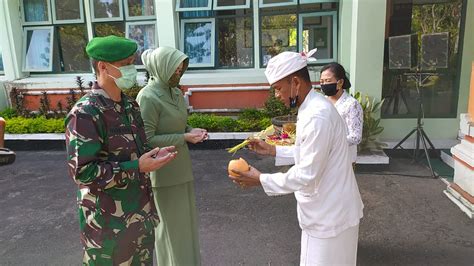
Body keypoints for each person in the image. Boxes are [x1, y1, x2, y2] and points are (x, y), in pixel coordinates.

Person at [229, 50, 364, 265]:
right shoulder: (313, 106)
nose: (276, 95)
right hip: (330, 211)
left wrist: (261, 179)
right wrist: (273, 150)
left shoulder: (316, 115)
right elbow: (313, 152)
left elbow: (306, 174)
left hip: (329, 216)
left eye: (279, 89)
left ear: (295, 82)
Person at [65, 35, 177, 265]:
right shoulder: (86, 113)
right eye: (126, 64)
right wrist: (136, 166)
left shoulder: (130, 105)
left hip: (140, 218)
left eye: (132, 63)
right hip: (107, 229)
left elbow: (138, 149)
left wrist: (153, 155)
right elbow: (83, 173)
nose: (132, 69)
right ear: (103, 67)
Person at [136, 47, 207, 266]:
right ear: (161, 67)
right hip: (163, 174)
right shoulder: (147, 97)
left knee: (186, 229)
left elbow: (179, 126)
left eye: (181, 67)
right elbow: (146, 141)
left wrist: (192, 130)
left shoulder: (175, 92)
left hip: (182, 170)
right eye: (175, 67)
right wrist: (184, 137)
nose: (179, 71)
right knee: (170, 233)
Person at [320, 62, 363, 164]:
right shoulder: (322, 101)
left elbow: (355, 137)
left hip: (343, 160)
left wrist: (330, 143)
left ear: (340, 82)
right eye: (322, 82)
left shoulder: (351, 104)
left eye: (328, 81)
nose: (324, 84)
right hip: (324, 158)